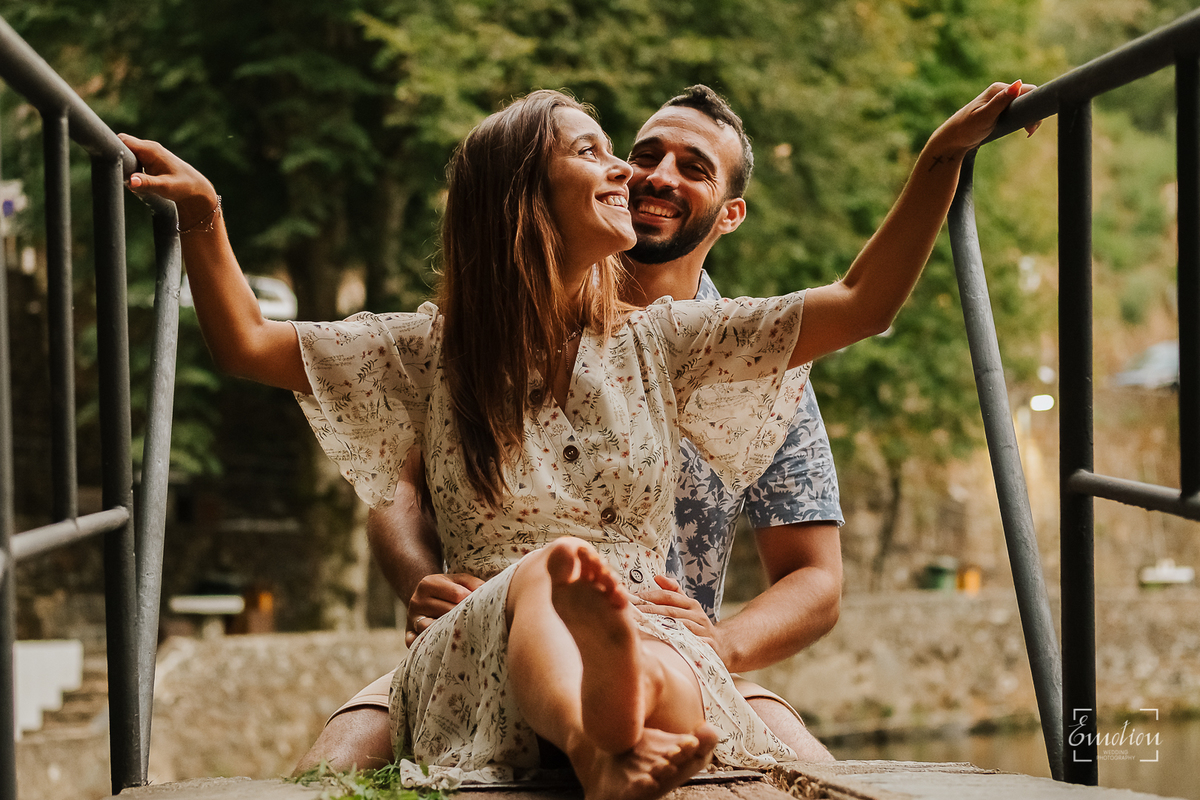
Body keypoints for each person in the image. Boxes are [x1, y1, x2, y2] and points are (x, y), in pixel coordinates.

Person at [121, 77, 1035, 800]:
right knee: (553, 576)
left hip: (652, 629)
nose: (633, 177)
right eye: (601, 151)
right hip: (485, 632)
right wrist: (204, 217)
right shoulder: (430, 347)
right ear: (523, 195)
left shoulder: (668, 343)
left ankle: (626, 732)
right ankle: (602, 753)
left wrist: (939, 158)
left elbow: (860, 305)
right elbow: (247, 345)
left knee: (665, 671)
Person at [298, 84, 844, 775]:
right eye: (644, 154)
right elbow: (398, 487)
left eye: (694, 167)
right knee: (327, 773)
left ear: (731, 214)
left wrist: (721, 648)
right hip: (493, 646)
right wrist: (421, 581)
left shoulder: (762, 359)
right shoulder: (503, 318)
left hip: (677, 664)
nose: (658, 175)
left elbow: (816, 580)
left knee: (825, 779)